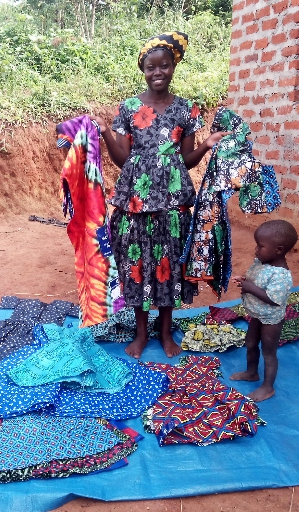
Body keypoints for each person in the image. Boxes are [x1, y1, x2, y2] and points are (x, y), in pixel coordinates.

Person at [91, 32, 231, 359]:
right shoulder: (128, 108)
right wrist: (106, 133)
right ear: (143, 69)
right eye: (151, 67)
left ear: (173, 67)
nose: (158, 73)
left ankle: (166, 333)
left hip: (172, 202)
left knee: (168, 265)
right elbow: (123, 159)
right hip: (135, 202)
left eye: (164, 66)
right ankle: (141, 334)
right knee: (137, 266)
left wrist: (206, 146)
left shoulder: (186, 109)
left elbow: (185, 160)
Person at [230, 219, 298, 401]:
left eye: (261, 246)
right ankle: (252, 372)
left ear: (279, 250)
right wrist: (245, 280)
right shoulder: (262, 263)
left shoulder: (281, 275)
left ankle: (268, 387)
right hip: (257, 315)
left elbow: (274, 300)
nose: (256, 250)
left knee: (269, 352)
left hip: (271, 320)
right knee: (251, 343)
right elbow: (257, 281)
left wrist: (250, 288)